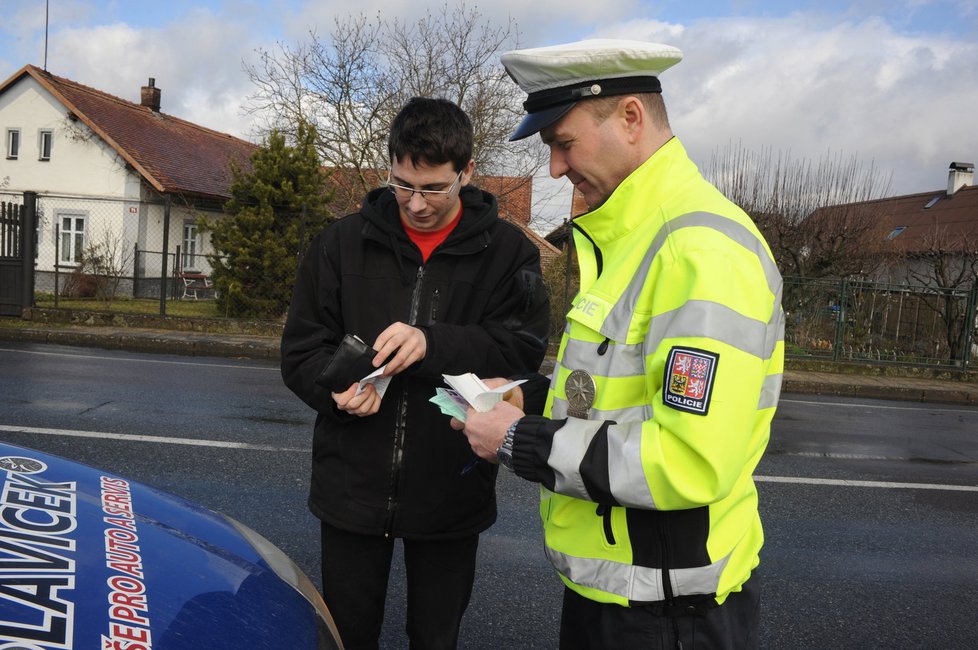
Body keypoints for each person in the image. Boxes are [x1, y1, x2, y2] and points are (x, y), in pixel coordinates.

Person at [458, 39, 784, 649]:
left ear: (630, 119)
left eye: (563, 142)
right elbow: (615, 389)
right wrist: (529, 396)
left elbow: (687, 461)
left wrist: (515, 440)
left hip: (667, 609)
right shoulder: (635, 236)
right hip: (624, 593)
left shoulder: (699, 249)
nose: (554, 167)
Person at [280, 96, 550, 649]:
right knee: (347, 636)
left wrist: (432, 342)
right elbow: (301, 351)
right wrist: (335, 393)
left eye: (434, 188)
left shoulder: (507, 254)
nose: (417, 204)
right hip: (352, 483)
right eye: (403, 184)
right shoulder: (340, 243)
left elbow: (520, 352)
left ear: (467, 172)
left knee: (435, 637)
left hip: (453, 481)